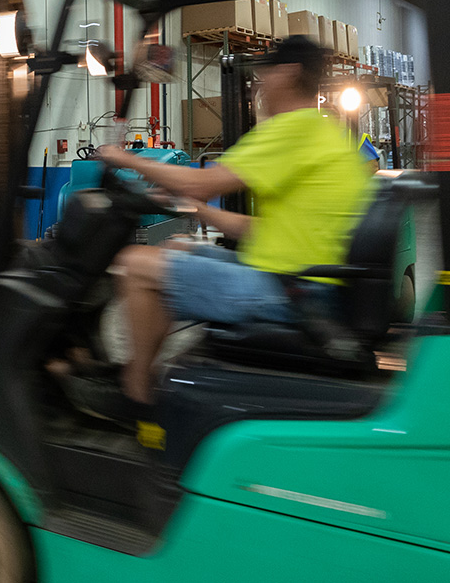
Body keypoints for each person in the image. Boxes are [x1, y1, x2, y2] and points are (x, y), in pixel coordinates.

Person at [97, 36, 372, 405]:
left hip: (293, 293)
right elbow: (263, 230)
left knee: (135, 264)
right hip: (300, 277)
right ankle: (149, 376)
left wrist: (124, 158)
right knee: (176, 246)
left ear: (288, 74)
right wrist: (198, 210)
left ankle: (135, 394)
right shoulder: (327, 132)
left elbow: (201, 182)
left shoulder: (290, 130)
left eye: (265, 76)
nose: (259, 87)